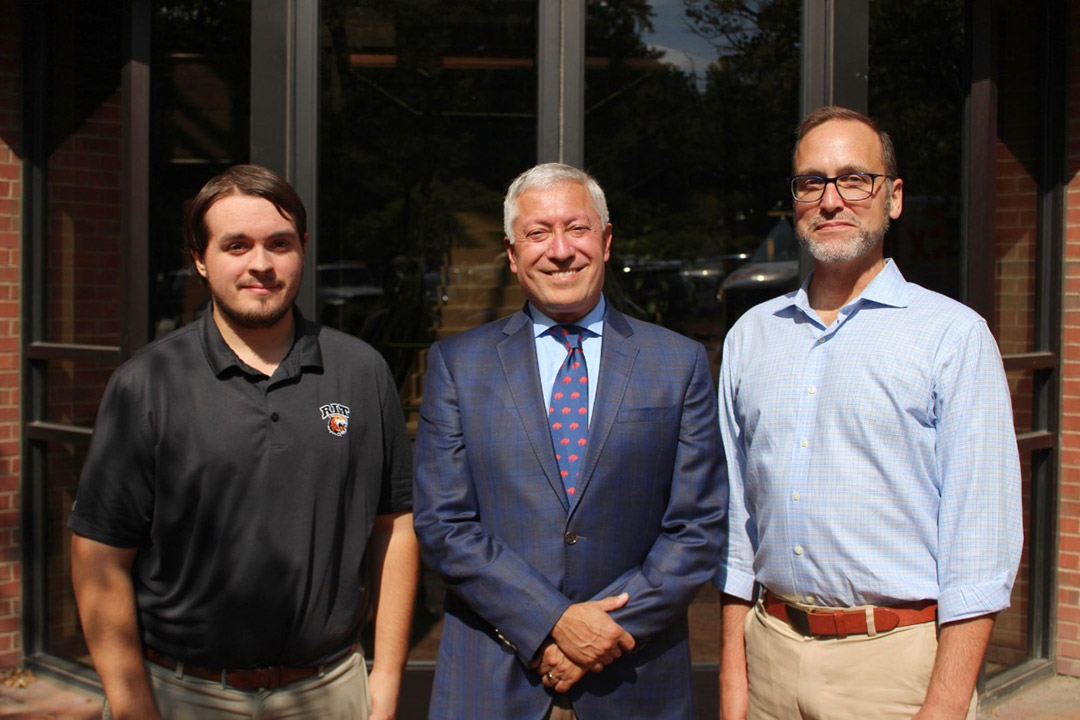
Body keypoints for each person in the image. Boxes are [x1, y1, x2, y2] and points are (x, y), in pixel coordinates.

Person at [68, 164, 418, 720]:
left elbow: (394, 527)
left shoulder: (361, 371)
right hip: (183, 695)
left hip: (329, 691)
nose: (261, 264)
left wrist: (388, 679)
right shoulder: (148, 383)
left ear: (302, 249)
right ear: (200, 259)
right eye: (237, 246)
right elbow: (99, 559)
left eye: (279, 243)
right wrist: (134, 707)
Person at [716, 106, 1023, 720]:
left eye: (855, 179)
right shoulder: (752, 335)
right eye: (812, 182)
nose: (831, 200)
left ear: (894, 197)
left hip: (895, 669)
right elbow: (737, 526)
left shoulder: (952, 336)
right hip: (769, 653)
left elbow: (980, 544)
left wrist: (944, 704)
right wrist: (734, 679)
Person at [412, 162, 726, 720]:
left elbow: (697, 526)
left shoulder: (678, 363)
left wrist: (606, 632)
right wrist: (551, 621)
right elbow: (444, 525)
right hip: (495, 681)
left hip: (635, 681)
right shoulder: (458, 365)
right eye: (538, 233)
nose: (560, 251)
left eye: (577, 228)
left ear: (606, 241)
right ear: (512, 254)